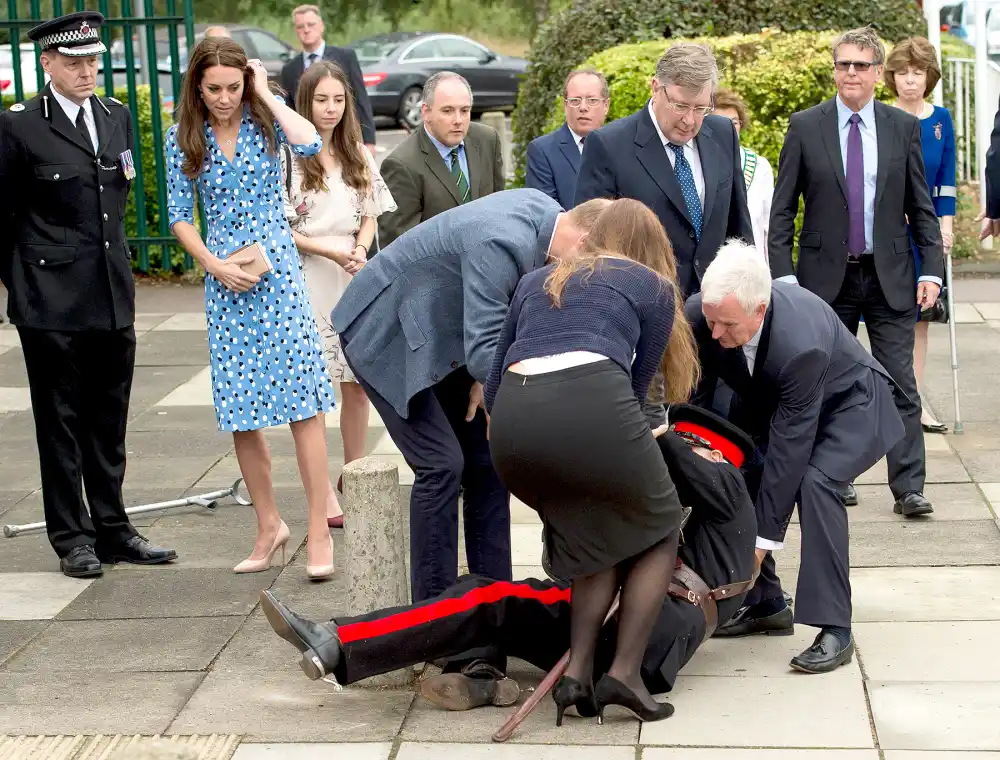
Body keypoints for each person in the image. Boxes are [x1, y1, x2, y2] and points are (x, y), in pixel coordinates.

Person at [258, 403, 756, 717]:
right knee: (500, 614)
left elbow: (676, 459)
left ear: (709, 453)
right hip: (646, 647)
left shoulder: (728, 490)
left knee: (485, 594)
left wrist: (657, 429)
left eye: (693, 449)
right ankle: (481, 677)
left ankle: (338, 641)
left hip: (639, 627)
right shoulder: (723, 535)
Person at [331, 189, 611, 604]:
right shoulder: (500, 241)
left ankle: (492, 604)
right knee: (441, 466)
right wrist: (515, 405)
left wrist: (489, 383)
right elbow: (485, 350)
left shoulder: (550, 216)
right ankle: (434, 615)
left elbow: (498, 328)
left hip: (442, 331)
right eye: (592, 265)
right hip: (382, 329)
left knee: (487, 461)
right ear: (584, 240)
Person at [483, 199, 701, 724]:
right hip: (593, 408)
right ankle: (623, 674)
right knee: (660, 527)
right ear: (653, 249)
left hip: (512, 429)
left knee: (596, 535)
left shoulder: (537, 280)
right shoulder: (652, 287)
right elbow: (636, 388)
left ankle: (577, 675)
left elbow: (491, 385)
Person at [0, 11, 176, 578]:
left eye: (92, 61)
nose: (86, 71)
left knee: (110, 418)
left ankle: (113, 528)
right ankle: (71, 537)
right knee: (60, 422)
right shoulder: (21, 125)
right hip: (49, 299)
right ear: (47, 63)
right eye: (74, 62)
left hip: (109, 294)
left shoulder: (115, 116)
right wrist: (22, 284)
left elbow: (113, 203)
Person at [686, 240, 904, 673]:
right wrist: (702, 449)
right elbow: (700, 391)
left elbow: (791, 448)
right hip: (780, 403)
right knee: (738, 470)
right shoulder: (703, 313)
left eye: (727, 325)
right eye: (711, 321)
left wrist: (762, 543)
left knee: (815, 482)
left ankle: (835, 627)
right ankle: (766, 604)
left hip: (852, 405)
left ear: (760, 310)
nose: (714, 334)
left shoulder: (800, 341)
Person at [164, 37, 337, 579]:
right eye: (213, 88)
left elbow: (311, 145)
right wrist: (212, 264)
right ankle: (269, 525)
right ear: (197, 86)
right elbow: (178, 214)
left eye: (233, 87)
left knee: (303, 405)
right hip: (226, 282)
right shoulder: (182, 137)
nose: (223, 98)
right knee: (243, 409)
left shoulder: (268, 123)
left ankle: (316, 532)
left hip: (279, 274)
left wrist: (264, 91)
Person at [768, 25, 943, 517]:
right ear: (834, 69)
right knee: (825, 382)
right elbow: (783, 211)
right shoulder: (806, 126)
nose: (850, 72)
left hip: (890, 275)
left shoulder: (900, 127)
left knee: (900, 382)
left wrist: (931, 269)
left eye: (860, 65)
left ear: (875, 73)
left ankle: (908, 487)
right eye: (843, 63)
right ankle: (834, 475)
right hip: (825, 279)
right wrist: (783, 279)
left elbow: (921, 207)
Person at [282, 60, 397, 520]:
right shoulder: (287, 154)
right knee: (316, 385)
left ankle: (353, 473)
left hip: (354, 269)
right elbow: (278, 229)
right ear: (304, 102)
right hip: (309, 272)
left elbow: (372, 210)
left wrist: (361, 248)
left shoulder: (356, 151)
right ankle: (321, 490)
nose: (330, 109)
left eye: (338, 99)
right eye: (320, 100)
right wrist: (331, 252)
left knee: (357, 382)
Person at [574, 42, 754, 299]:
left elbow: (739, 230)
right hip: (645, 312)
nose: (690, 120)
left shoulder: (723, 134)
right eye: (680, 106)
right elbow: (592, 248)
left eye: (701, 108)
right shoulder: (608, 146)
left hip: (718, 314)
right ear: (656, 88)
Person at [885, 36, 957, 435]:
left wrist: (944, 228)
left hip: (926, 234)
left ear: (929, 77)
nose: (910, 80)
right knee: (887, 320)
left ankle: (915, 404)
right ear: (891, 76)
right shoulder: (882, 116)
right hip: (891, 233)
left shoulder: (940, 119)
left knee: (920, 321)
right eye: (902, 72)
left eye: (918, 73)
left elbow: (946, 179)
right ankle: (884, 403)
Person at [377, 72, 505, 247]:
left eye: (464, 111)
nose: (458, 120)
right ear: (425, 112)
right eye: (447, 111)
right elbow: (398, 247)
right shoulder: (401, 165)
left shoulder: (487, 140)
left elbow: (500, 207)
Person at [279, 4, 376, 156]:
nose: (306, 29)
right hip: (307, 147)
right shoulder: (289, 69)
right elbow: (289, 111)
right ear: (296, 30)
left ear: (322, 26)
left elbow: (361, 100)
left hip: (344, 139)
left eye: (311, 24)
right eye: (300, 26)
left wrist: (369, 141)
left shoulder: (346, 58)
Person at [525, 68, 610, 209]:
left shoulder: (621, 146)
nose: (583, 107)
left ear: (606, 105)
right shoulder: (542, 151)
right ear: (565, 106)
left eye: (592, 100)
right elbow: (545, 212)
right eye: (575, 101)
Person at [711, 89, 773, 263]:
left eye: (734, 122)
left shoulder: (760, 166)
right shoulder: (695, 163)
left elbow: (769, 227)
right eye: (720, 122)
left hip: (751, 265)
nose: (728, 129)